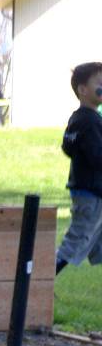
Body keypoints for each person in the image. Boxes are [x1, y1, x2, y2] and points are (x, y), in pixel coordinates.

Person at [55, 62, 102, 276]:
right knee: (76, 241)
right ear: (83, 90)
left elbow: (67, 146)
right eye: (100, 83)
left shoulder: (78, 118)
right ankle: (39, 282)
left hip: (88, 190)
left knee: (94, 240)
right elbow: (97, 156)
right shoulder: (91, 121)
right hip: (91, 193)